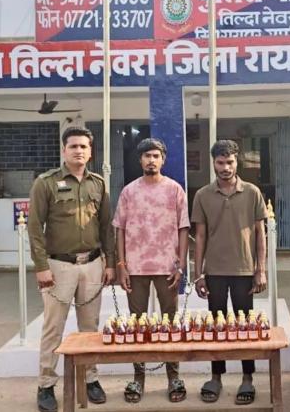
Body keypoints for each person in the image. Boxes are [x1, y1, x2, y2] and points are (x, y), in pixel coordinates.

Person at [28, 126, 116, 412]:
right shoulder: (46, 183)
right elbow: (34, 228)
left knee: (90, 327)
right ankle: (46, 385)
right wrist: (41, 266)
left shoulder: (98, 184)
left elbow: (106, 226)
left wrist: (109, 262)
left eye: (83, 146)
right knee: (53, 327)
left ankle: (90, 379)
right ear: (63, 150)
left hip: (92, 265)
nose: (79, 151)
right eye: (73, 146)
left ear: (91, 152)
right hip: (58, 266)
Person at [113, 138, 190, 403]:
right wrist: (121, 265)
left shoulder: (174, 190)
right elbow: (120, 229)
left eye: (156, 156)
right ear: (140, 160)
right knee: (137, 323)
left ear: (163, 159)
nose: (151, 160)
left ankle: (174, 377)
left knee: (170, 322)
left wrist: (180, 264)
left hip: (167, 266)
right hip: (135, 267)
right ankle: (138, 378)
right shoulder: (129, 191)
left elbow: (183, 228)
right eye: (147, 156)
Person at [192, 139, 268, 405]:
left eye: (230, 162)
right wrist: (198, 273)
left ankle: (247, 378)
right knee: (217, 324)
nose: (225, 167)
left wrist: (261, 269)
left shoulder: (252, 192)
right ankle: (216, 377)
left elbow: (260, 234)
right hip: (214, 271)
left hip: (244, 270)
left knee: (245, 325)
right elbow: (200, 237)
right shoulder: (202, 195)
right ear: (213, 163)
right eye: (220, 162)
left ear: (238, 162)